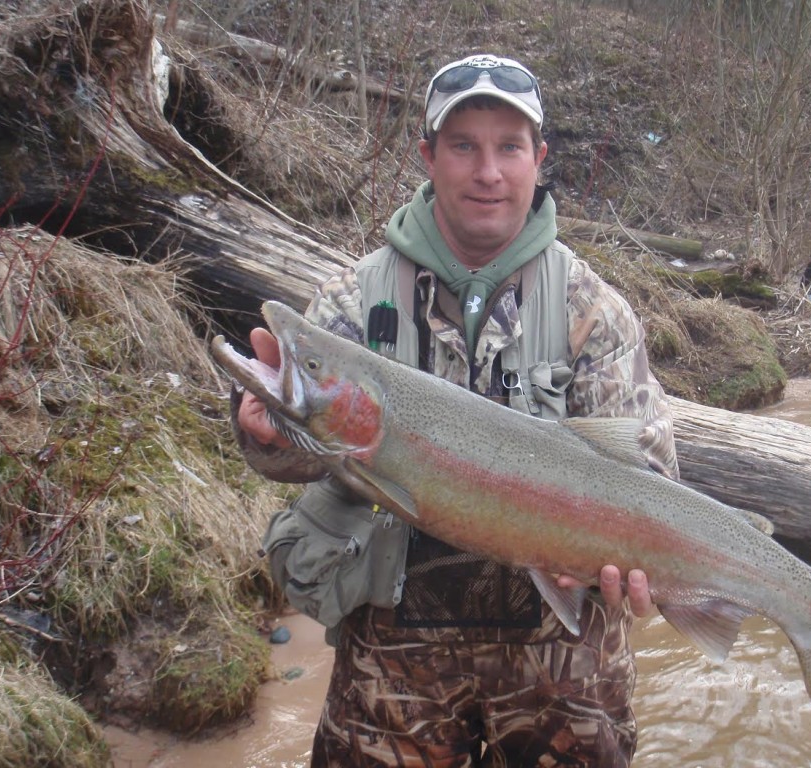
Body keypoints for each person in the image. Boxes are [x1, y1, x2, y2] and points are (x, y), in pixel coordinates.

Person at [234, 53, 680, 767]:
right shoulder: (354, 299)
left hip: (563, 669)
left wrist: (639, 572)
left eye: (508, 147)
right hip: (392, 662)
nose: (488, 172)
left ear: (539, 159)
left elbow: (650, 471)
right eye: (464, 146)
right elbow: (303, 449)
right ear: (427, 156)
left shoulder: (594, 311)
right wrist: (264, 428)